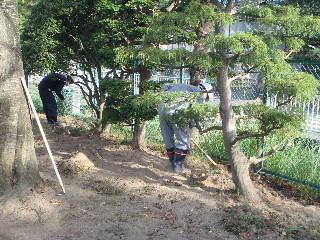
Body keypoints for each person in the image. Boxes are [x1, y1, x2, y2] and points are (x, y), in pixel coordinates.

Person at [158, 82, 213, 173]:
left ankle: (173, 164)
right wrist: (192, 124)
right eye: (207, 97)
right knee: (184, 140)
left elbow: (164, 86)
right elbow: (196, 111)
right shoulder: (199, 92)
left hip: (162, 109)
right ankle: (179, 167)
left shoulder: (182, 86)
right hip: (175, 112)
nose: (205, 98)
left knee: (168, 138)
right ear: (205, 90)